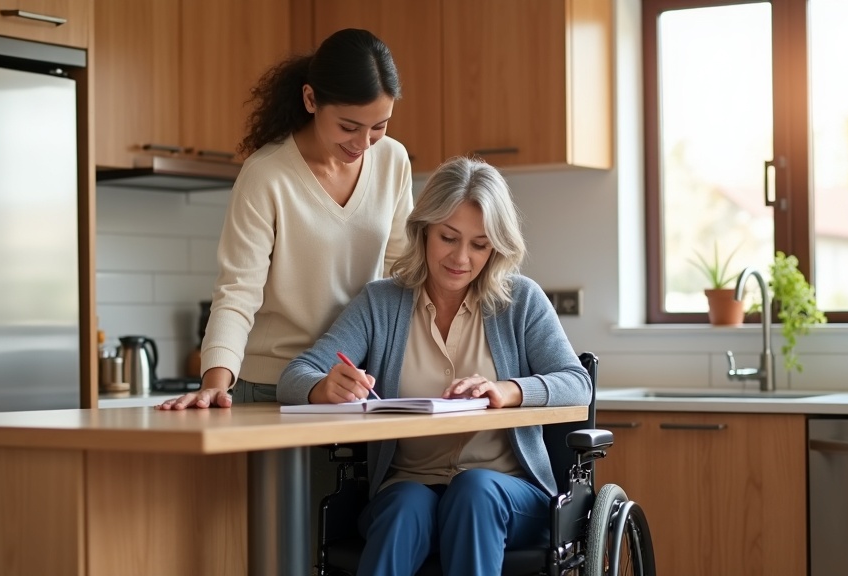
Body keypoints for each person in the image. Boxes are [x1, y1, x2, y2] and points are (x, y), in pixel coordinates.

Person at [277, 156, 592, 575]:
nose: (461, 257)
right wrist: (323, 388)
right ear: (423, 230)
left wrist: (508, 390)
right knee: (406, 505)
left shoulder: (522, 301)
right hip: (406, 487)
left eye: (479, 244)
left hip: (506, 492)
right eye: (448, 237)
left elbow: (577, 383)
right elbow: (295, 376)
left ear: (495, 248)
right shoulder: (380, 303)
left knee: (474, 491)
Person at [157, 28, 413, 410]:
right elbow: (238, 289)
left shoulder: (392, 160)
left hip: (354, 383)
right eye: (348, 126)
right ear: (311, 99)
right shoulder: (267, 174)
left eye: (378, 126)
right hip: (270, 387)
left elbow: (400, 274)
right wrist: (215, 382)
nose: (363, 144)